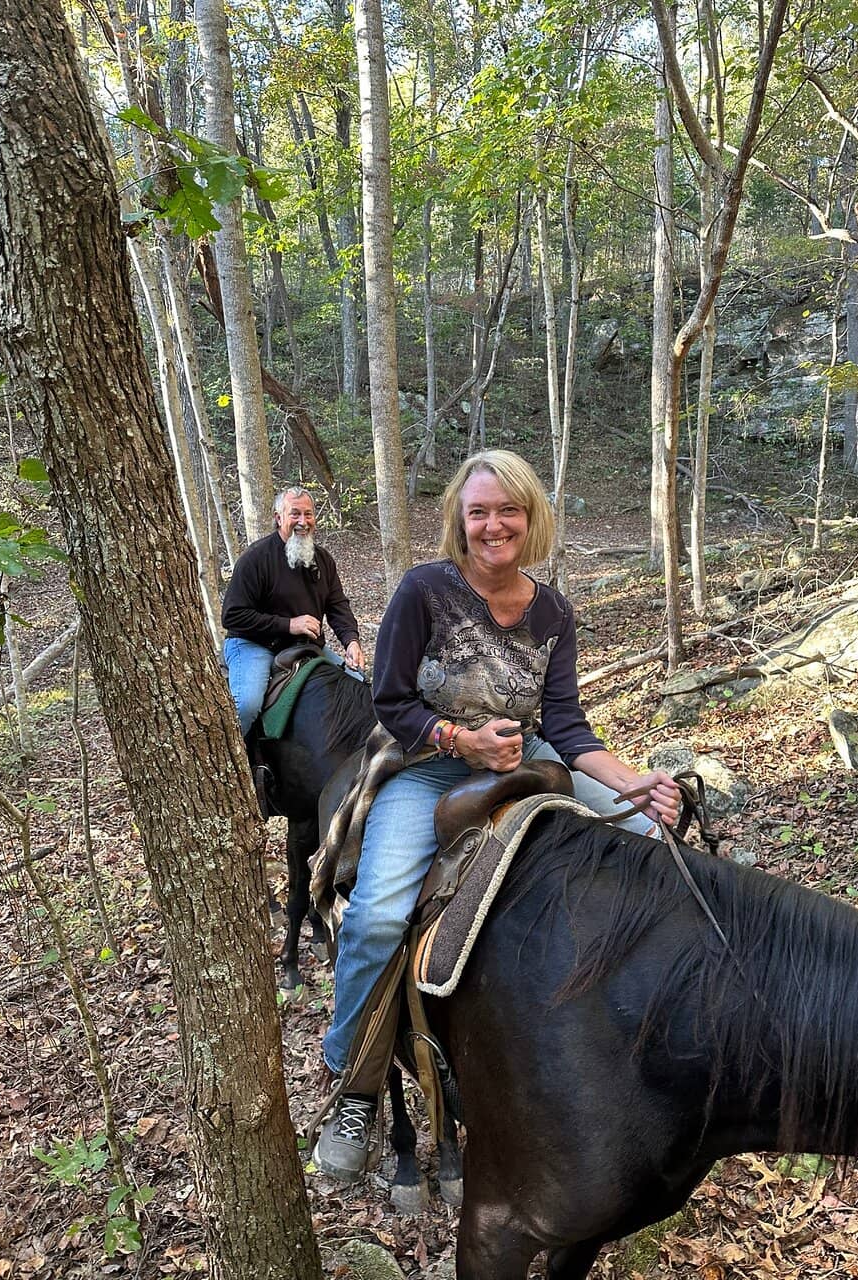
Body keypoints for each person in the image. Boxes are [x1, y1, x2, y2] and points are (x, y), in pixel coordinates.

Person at [315, 450, 682, 1181]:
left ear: (530, 517)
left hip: (526, 752)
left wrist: (636, 783)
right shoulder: (424, 590)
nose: (492, 525)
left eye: (506, 510)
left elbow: (569, 725)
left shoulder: (552, 611)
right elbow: (389, 701)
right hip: (424, 765)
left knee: (654, 841)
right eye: (478, 511)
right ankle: (351, 1079)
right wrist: (460, 739)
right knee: (382, 913)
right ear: (460, 518)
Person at [221, 485, 366, 737]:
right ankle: (231, 765)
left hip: (303, 647)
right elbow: (232, 615)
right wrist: (288, 624)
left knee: (359, 685)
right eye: (295, 514)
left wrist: (351, 641)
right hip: (252, 644)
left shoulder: (322, 560)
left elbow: (337, 605)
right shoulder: (256, 558)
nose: (303, 521)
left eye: (308, 514)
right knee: (246, 706)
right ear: (279, 518)